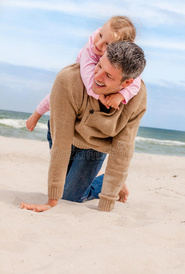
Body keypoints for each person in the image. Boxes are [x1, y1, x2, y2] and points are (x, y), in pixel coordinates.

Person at [21, 41, 147, 213]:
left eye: (109, 76)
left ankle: (108, 182)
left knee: (70, 196)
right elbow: (61, 143)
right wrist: (51, 201)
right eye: (99, 65)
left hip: (95, 145)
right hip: (64, 133)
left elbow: (122, 151)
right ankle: (108, 181)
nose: (97, 76)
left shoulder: (137, 98)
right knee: (61, 193)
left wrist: (107, 202)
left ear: (127, 83)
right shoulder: (68, 80)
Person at [26, 16, 141, 131]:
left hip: (103, 77)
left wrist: (120, 96)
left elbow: (136, 83)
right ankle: (37, 114)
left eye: (107, 44)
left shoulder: (123, 59)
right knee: (58, 93)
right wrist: (99, 96)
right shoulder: (91, 46)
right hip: (83, 73)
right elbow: (87, 73)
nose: (99, 43)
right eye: (100, 35)